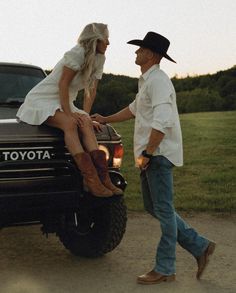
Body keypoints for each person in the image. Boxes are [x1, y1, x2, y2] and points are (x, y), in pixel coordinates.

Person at [92, 32, 216, 284]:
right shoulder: (147, 81)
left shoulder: (158, 81)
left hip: (156, 154)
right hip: (151, 155)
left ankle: (165, 268)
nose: (136, 53)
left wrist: (148, 152)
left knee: (163, 209)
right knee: (155, 207)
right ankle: (200, 246)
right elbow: (133, 110)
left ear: (151, 54)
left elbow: (163, 119)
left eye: (140, 49)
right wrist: (104, 119)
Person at [16, 22, 123, 197]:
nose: (108, 43)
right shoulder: (77, 53)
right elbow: (63, 84)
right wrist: (68, 114)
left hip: (64, 101)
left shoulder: (99, 58)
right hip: (43, 100)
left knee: (86, 123)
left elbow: (91, 90)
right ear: (96, 39)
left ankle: (104, 179)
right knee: (70, 124)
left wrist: (86, 115)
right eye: (106, 39)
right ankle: (90, 180)